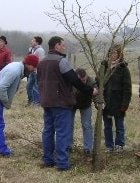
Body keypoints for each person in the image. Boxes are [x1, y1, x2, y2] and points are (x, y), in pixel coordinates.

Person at [38, 36, 98, 171]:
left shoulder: (41, 62)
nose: (64, 47)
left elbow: (39, 82)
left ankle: (48, 160)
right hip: (61, 103)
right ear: (57, 45)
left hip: (47, 102)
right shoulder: (62, 61)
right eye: (62, 45)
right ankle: (62, 163)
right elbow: (75, 81)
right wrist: (91, 91)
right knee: (62, 132)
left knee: (48, 131)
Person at [0, 54, 40, 156]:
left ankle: (0, 147)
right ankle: (3, 150)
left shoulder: (18, 69)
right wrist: (6, 101)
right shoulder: (15, 71)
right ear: (28, 64)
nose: (34, 69)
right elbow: (1, 87)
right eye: (34, 66)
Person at [100, 45, 132, 152]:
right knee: (107, 126)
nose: (112, 55)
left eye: (115, 53)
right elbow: (98, 82)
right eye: (111, 53)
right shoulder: (104, 67)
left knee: (119, 125)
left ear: (119, 55)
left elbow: (127, 89)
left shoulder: (123, 69)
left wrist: (125, 104)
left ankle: (120, 144)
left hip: (118, 101)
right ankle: (109, 145)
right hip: (106, 102)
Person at [72, 68, 98, 154]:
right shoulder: (71, 80)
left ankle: (88, 148)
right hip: (72, 104)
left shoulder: (91, 81)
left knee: (87, 125)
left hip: (85, 105)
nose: (83, 82)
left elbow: (96, 93)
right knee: (68, 124)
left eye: (84, 80)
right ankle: (68, 146)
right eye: (80, 80)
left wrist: (97, 102)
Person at [26, 36, 46, 106]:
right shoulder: (33, 49)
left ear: (37, 42)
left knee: (36, 87)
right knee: (29, 86)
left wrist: (36, 68)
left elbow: (42, 61)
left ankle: (37, 103)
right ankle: (31, 101)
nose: (31, 41)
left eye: (33, 40)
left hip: (37, 72)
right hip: (32, 72)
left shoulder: (40, 51)